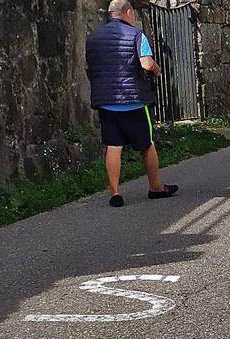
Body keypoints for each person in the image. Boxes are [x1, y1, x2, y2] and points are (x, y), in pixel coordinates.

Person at [85, 0, 177, 207]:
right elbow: (145, 63)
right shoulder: (136, 35)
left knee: (113, 145)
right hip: (135, 101)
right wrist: (156, 70)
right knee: (147, 145)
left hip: (106, 102)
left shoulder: (93, 38)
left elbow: (88, 67)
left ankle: (115, 193)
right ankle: (156, 187)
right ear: (127, 12)